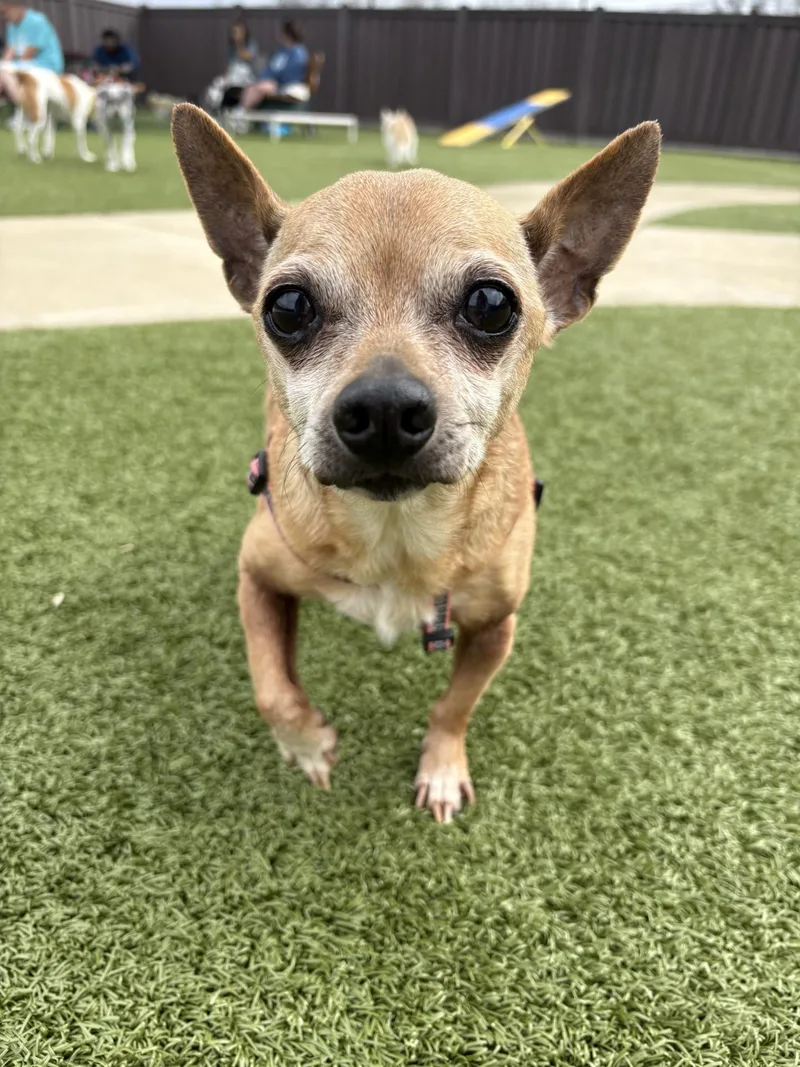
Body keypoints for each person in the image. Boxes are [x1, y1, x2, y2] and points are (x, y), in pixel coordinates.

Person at [0, 3, 63, 108]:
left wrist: (4, 68)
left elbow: (28, 55)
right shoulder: (11, 24)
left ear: (15, 5)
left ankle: (24, 108)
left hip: (46, 66)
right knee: (3, 70)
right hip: (25, 64)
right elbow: (9, 52)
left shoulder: (37, 21)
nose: (3, 17)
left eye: (3, 12)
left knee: (5, 73)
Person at [239, 21, 309, 112]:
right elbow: (271, 68)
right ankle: (241, 112)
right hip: (271, 83)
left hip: (282, 84)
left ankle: (240, 113)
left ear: (289, 34)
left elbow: (289, 73)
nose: (281, 35)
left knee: (260, 88)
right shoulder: (281, 52)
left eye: (283, 33)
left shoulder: (298, 53)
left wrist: (274, 81)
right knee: (251, 87)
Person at [203, 15, 260, 114]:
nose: (235, 34)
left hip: (246, 78)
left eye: (238, 32)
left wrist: (240, 42)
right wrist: (225, 77)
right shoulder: (232, 48)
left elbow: (246, 56)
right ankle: (214, 110)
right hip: (233, 77)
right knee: (216, 85)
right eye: (234, 32)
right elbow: (231, 65)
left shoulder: (251, 45)